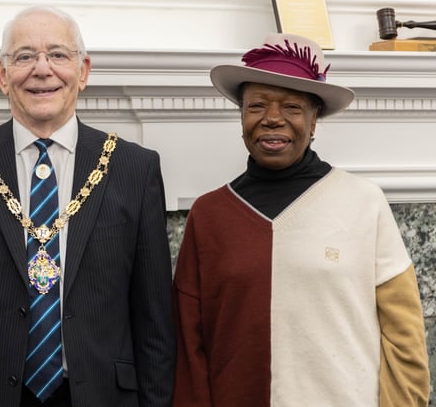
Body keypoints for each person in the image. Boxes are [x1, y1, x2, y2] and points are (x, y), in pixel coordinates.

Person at [0, 6, 175, 407]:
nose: (42, 69)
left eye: (58, 54)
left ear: (84, 70)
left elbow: (155, 322)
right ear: (2, 75)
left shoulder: (134, 168)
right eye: (24, 56)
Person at [172, 33, 430, 406]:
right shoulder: (209, 215)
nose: (272, 119)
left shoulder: (363, 202)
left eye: (292, 107)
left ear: (314, 122)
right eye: (256, 105)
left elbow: (404, 337)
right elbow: (189, 344)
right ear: (241, 117)